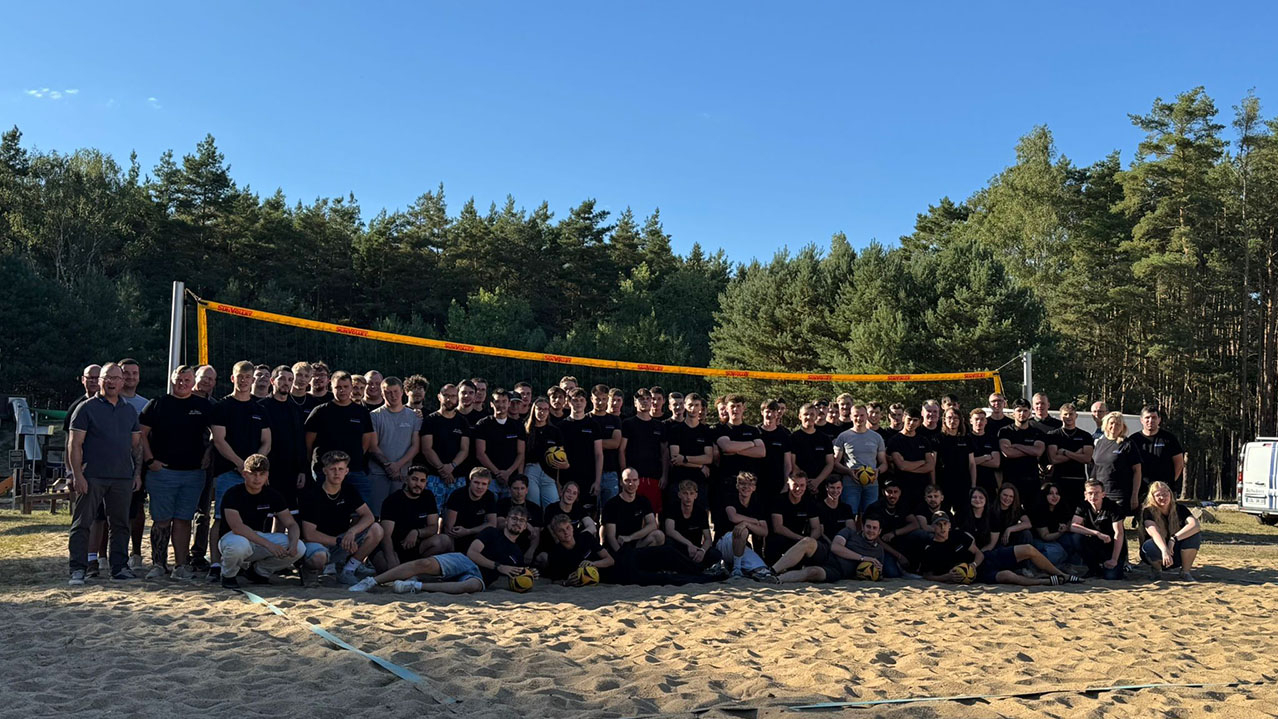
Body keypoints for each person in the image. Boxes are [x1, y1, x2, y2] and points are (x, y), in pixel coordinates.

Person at [67, 363, 143, 584]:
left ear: (122, 382)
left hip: (122, 477)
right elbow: (74, 444)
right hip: (92, 476)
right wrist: (77, 475)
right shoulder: (86, 408)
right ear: (99, 380)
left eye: (116, 378)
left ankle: (119, 567)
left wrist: (136, 474)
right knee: (82, 523)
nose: (112, 382)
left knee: (120, 524)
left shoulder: (128, 410)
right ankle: (78, 569)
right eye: (107, 378)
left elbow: (136, 446)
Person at [349, 505, 537, 594]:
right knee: (424, 563)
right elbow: (473, 553)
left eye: (521, 521)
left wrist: (529, 575)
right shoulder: (491, 532)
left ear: (525, 526)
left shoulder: (517, 553)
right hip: (466, 560)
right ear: (507, 519)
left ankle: (415, 586)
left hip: (480, 578)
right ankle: (371, 581)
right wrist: (499, 567)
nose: (517, 523)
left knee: (471, 587)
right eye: (514, 518)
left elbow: (517, 577)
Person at [138, 365, 214, 579]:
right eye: (179, 380)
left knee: (183, 519)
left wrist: (208, 452)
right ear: (172, 380)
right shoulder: (157, 404)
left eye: (187, 380)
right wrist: (150, 460)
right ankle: (159, 565)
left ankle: (181, 566)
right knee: (162, 520)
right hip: (162, 472)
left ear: (193, 382)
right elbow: (141, 434)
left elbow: (216, 433)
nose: (183, 383)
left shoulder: (203, 406)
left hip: (193, 473)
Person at [209, 360, 272, 581]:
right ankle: (216, 564)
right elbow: (219, 440)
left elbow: (267, 442)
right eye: (240, 376)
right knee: (220, 518)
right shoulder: (222, 407)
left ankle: (247, 566)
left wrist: (255, 465)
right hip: (229, 471)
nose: (244, 380)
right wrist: (240, 464)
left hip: (254, 473)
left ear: (253, 379)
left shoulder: (259, 409)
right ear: (233, 378)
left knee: (255, 519)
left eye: (248, 377)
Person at [920, 511, 1080, 586]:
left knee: (1028, 549)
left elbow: (978, 554)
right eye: (938, 524)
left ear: (949, 525)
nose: (942, 527)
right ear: (932, 527)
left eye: (944, 523)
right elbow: (927, 575)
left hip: (984, 561)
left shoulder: (958, 535)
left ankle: (1063, 575)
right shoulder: (930, 549)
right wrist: (947, 577)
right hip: (974, 577)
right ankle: (1045, 582)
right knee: (1008, 576)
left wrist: (973, 566)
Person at [217, 454, 306, 589]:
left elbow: (291, 524)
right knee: (238, 545)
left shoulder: (272, 494)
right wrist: (269, 545)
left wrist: (293, 544)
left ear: (267, 475)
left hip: (259, 538)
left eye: (262, 474)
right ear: (244, 474)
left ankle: (259, 572)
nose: (257, 478)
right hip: (233, 537)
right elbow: (237, 527)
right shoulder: (232, 494)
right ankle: (228, 575)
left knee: (300, 547)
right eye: (253, 474)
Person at [299, 450, 384, 586]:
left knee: (376, 529)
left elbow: (368, 516)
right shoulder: (312, 494)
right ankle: (309, 571)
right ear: (325, 470)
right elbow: (309, 534)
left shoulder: (348, 490)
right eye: (333, 469)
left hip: (341, 541)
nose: (337, 473)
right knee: (318, 557)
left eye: (340, 469)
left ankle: (348, 570)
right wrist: (339, 541)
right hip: (318, 543)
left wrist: (352, 532)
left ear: (347, 471)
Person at [304, 370, 375, 506]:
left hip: (354, 469)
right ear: (332, 387)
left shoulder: (362, 412)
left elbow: (366, 440)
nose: (342, 390)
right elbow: (308, 442)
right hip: (324, 471)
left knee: (363, 510)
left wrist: (356, 456)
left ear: (351, 387)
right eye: (338, 387)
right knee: (323, 508)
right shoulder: (320, 411)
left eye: (345, 387)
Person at [770, 515, 886, 584]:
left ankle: (777, 579)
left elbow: (878, 575)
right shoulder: (849, 532)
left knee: (813, 572)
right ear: (863, 526)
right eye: (868, 526)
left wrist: (877, 571)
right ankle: (771, 572)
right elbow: (835, 547)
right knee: (808, 542)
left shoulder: (878, 551)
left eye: (874, 528)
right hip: (828, 554)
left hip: (837, 571)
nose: (871, 530)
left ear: (879, 531)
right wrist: (862, 558)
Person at [376, 465, 451, 571]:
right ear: (407, 480)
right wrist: (391, 558)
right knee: (388, 569)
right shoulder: (393, 500)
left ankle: (417, 568)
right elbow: (386, 535)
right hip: (394, 546)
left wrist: (416, 532)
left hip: (416, 545)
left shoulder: (428, 496)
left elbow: (433, 527)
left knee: (444, 540)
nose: (418, 484)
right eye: (414, 479)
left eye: (422, 481)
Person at [366, 377, 422, 516]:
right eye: (388, 392)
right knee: (377, 515)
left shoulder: (414, 416)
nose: (393, 395)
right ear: (382, 393)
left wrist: (398, 466)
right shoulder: (374, 416)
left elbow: (415, 446)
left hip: (403, 475)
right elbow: (373, 446)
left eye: (396, 391)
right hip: (378, 474)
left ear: (402, 391)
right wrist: (388, 466)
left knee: (401, 516)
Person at [259, 365, 309, 517]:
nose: (286, 383)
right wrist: (261, 469)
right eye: (282, 379)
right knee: (265, 515)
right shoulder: (261, 407)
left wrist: (302, 470)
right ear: (273, 381)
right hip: (267, 469)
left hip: (290, 471)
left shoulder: (295, 409)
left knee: (284, 514)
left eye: (290, 379)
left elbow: (300, 442)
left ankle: (277, 542)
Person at [118, 357, 149, 570]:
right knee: (109, 514)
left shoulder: (145, 404)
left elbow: (147, 438)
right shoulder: (106, 400)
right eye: (126, 373)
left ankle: (136, 553)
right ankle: (105, 556)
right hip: (109, 465)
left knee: (136, 510)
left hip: (136, 465)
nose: (130, 377)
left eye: (134, 373)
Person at [715, 472, 776, 581]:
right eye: (742, 484)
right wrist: (753, 521)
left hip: (741, 546)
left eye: (750, 484)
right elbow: (733, 517)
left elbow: (764, 531)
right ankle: (736, 569)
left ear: (754, 488)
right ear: (737, 486)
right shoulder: (730, 498)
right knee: (741, 530)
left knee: (760, 567)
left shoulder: (757, 504)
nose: (746, 487)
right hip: (724, 542)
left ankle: (744, 568)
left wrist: (747, 524)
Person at [419, 383, 472, 509]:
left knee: (456, 516)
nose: (449, 399)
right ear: (439, 397)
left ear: (457, 398)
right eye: (446, 395)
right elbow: (427, 449)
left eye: (453, 396)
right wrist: (442, 469)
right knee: (432, 514)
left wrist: (452, 466)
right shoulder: (430, 420)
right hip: (434, 477)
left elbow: (464, 449)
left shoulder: (462, 421)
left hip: (457, 477)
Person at [715, 395, 766, 522]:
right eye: (732, 406)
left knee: (754, 519)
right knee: (725, 521)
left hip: (749, 484)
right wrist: (751, 444)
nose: (735, 409)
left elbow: (761, 452)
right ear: (726, 408)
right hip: (728, 482)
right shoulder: (720, 429)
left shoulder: (753, 430)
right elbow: (726, 447)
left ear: (744, 408)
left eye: (738, 406)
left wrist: (736, 449)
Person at [1139, 480, 1202, 580]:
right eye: (1158, 495)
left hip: (1176, 552)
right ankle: (1157, 569)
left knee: (1195, 535)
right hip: (1159, 552)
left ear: (1170, 494)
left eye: (1165, 494)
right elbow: (1153, 532)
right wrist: (1164, 550)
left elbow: (1195, 525)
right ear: (1153, 497)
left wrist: (1173, 539)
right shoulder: (1148, 511)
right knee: (1149, 545)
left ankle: (1185, 571)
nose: (1162, 497)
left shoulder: (1180, 508)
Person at [832, 404, 887, 517]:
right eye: (856, 415)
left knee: (870, 516)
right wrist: (848, 472)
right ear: (851, 417)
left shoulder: (877, 437)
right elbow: (835, 463)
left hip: (872, 483)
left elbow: (884, 463)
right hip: (850, 483)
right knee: (850, 515)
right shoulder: (843, 436)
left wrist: (877, 472)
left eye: (862, 415)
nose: (859, 418)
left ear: (866, 416)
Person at [620, 388, 669, 513]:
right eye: (641, 399)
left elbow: (664, 452)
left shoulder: (660, 425)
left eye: (648, 398)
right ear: (635, 402)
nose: (645, 401)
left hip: (654, 477)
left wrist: (664, 475)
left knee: (654, 514)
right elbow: (622, 451)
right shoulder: (628, 423)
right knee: (632, 513)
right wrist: (623, 474)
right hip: (634, 478)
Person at [473, 388, 527, 501]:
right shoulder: (483, 424)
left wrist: (508, 473)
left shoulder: (518, 426)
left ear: (508, 404)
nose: (501, 405)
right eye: (497, 401)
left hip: (510, 479)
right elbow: (480, 453)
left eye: (504, 401)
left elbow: (521, 453)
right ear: (492, 404)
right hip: (489, 479)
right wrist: (498, 473)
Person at [559, 388, 604, 514]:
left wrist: (598, 481)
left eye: (581, 400)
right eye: (574, 400)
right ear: (568, 402)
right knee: (566, 514)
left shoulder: (593, 425)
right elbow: (557, 456)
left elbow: (599, 454)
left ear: (586, 402)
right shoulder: (561, 426)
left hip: (588, 479)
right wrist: (557, 482)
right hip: (566, 477)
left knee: (588, 515)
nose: (578, 403)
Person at [1072, 479, 1127, 580]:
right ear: (1085, 494)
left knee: (1111, 576)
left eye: (1097, 493)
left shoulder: (1113, 507)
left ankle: (1120, 564)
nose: (1093, 496)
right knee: (1077, 538)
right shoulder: (1083, 506)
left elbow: (1119, 533)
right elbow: (1073, 526)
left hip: (1112, 546)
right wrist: (1096, 533)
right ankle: (1094, 568)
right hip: (1095, 543)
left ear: (1103, 494)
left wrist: (1114, 559)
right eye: (1090, 493)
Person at [662, 480, 724, 570]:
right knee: (668, 547)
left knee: (715, 554)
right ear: (679, 495)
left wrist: (702, 551)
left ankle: (692, 566)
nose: (688, 497)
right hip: (679, 547)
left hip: (696, 548)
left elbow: (708, 539)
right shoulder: (672, 508)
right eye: (685, 493)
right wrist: (688, 544)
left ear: (696, 495)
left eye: (691, 494)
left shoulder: (701, 512)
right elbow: (669, 530)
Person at [667, 392, 716, 505]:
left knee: (699, 518)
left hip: (699, 481)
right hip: (679, 480)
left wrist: (685, 458)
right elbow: (675, 459)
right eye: (690, 405)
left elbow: (708, 458)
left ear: (700, 407)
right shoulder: (675, 430)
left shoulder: (706, 431)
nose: (693, 409)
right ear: (684, 406)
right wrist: (700, 465)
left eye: (696, 405)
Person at [862, 481, 918, 578]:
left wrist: (894, 533)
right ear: (883, 492)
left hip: (899, 541)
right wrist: (899, 556)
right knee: (893, 574)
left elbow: (915, 524)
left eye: (895, 492)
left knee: (921, 535)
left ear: (900, 492)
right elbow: (875, 537)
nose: (892, 495)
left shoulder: (902, 505)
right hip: (882, 547)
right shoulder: (875, 508)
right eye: (889, 492)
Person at [1092, 411, 1142, 517]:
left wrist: (1134, 495)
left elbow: (1137, 471)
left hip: (1119, 494)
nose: (1114, 426)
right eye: (1112, 423)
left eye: (1118, 424)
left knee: (1116, 526)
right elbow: (1095, 468)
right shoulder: (1100, 443)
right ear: (1106, 424)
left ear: (1122, 427)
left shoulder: (1127, 444)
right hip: (1101, 493)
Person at [1129, 405, 1186, 499]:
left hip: (1165, 490)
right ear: (1141, 420)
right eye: (1147, 418)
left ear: (1159, 420)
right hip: (1142, 490)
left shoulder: (1169, 438)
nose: (1150, 421)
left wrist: (1169, 482)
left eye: (1154, 417)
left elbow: (1179, 464)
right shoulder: (1133, 440)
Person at [603, 468, 665, 553]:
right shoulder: (611, 505)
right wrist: (621, 555)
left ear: (639, 482)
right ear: (621, 482)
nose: (631, 483)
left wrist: (630, 537)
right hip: (619, 545)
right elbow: (611, 537)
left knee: (659, 536)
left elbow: (653, 525)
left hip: (636, 543)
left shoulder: (643, 501)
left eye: (634, 480)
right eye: (627, 480)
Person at [766, 471, 821, 565]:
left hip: (800, 541)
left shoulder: (809, 502)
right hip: (783, 538)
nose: (798, 489)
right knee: (775, 541)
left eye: (802, 485)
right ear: (788, 484)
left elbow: (816, 528)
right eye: (795, 485)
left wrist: (809, 542)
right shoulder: (779, 500)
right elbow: (778, 527)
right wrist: (800, 539)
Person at [998, 398, 1045, 505]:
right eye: (1019, 411)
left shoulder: (1037, 433)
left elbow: (1038, 452)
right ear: (1013, 413)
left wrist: (1016, 445)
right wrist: (1030, 450)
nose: (1022, 414)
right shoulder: (1005, 431)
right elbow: (1007, 453)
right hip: (1011, 480)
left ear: (1030, 412)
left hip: (1032, 480)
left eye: (1025, 411)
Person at [1046, 403, 1094, 506]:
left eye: (1071, 414)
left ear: (1076, 416)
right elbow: (1053, 459)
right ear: (1060, 416)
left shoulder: (1085, 436)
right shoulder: (1053, 435)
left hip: (1079, 481)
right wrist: (1077, 454)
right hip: (1059, 480)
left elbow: (1087, 458)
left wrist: (1064, 452)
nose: (1068, 417)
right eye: (1065, 414)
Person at [886, 407, 935, 507]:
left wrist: (910, 467)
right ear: (904, 418)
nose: (912, 423)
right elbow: (902, 466)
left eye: (915, 420)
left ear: (920, 422)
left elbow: (930, 466)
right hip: (903, 488)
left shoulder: (923, 441)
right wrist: (922, 462)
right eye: (909, 419)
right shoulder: (895, 440)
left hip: (922, 488)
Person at [442, 467, 498, 555]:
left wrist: (468, 531)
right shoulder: (458, 495)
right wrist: (451, 551)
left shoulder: (489, 496)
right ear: (470, 481)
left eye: (484, 484)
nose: (479, 487)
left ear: (488, 485)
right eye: (476, 482)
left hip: (475, 536)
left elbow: (492, 524)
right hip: (455, 535)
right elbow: (448, 526)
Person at [523, 396, 567, 508]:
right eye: (539, 409)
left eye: (545, 409)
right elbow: (521, 455)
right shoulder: (526, 430)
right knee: (534, 505)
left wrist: (558, 480)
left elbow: (560, 457)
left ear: (549, 411)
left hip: (549, 473)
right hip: (531, 470)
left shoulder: (555, 431)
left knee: (552, 506)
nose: (542, 412)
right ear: (534, 410)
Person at [1030, 481, 1081, 569]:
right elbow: (1045, 536)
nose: (1055, 496)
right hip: (1040, 540)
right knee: (1057, 552)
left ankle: (1070, 563)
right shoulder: (1039, 510)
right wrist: (1060, 532)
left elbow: (1070, 523)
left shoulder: (1062, 507)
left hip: (1057, 538)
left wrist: (1068, 527)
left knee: (1074, 539)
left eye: (1057, 493)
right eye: (1050, 493)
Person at [589, 384, 624, 507]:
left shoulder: (615, 420)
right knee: (590, 511)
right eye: (597, 398)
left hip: (610, 472)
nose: (600, 402)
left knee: (610, 512)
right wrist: (604, 443)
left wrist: (593, 443)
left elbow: (615, 443)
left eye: (604, 399)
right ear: (591, 399)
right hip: (589, 472)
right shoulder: (587, 419)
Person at [789, 403, 835, 495]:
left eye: (812, 414)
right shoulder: (793, 438)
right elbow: (792, 463)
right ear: (800, 416)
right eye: (806, 414)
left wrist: (817, 481)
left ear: (816, 416)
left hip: (821, 485)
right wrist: (805, 482)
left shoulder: (824, 438)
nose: (809, 417)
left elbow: (830, 463)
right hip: (800, 487)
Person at [496, 474, 543, 563]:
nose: (519, 492)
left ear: (527, 490)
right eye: (515, 488)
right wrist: (526, 524)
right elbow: (499, 525)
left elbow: (536, 534)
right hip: (504, 545)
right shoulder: (502, 504)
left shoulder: (535, 508)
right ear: (509, 489)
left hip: (525, 546)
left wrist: (531, 551)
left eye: (522, 488)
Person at [936, 406, 976, 506]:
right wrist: (933, 485)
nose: (952, 421)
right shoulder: (938, 439)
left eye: (955, 418)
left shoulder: (966, 439)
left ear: (960, 420)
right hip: (944, 482)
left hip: (963, 483)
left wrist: (973, 484)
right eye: (949, 417)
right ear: (944, 419)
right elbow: (932, 464)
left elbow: (971, 463)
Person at [968, 408, 1002, 497]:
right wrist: (985, 457)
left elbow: (996, 463)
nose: (979, 422)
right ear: (971, 421)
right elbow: (965, 462)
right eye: (976, 419)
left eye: (982, 419)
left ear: (986, 421)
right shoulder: (966, 439)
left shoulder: (992, 439)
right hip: (970, 482)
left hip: (989, 483)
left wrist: (974, 461)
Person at [814, 476, 856, 542]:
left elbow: (851, 530)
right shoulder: (819, 507)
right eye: (832, 488)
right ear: (826, 488)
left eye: (838, 488)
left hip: (842, 543)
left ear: (842, 488)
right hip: (825, 543)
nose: (835, 491)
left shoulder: (846, 508)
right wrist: (832, 545)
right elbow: (821, 533)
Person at [957, 486, 997, 552]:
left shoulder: (993, 516)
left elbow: (991, 544)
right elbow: (957, 533)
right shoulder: (962, 513)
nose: (977, 500)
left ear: (986, 499)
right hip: (965, 550)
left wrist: (979, 554)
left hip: (986, 552)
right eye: (974, 497)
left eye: (981, 497)